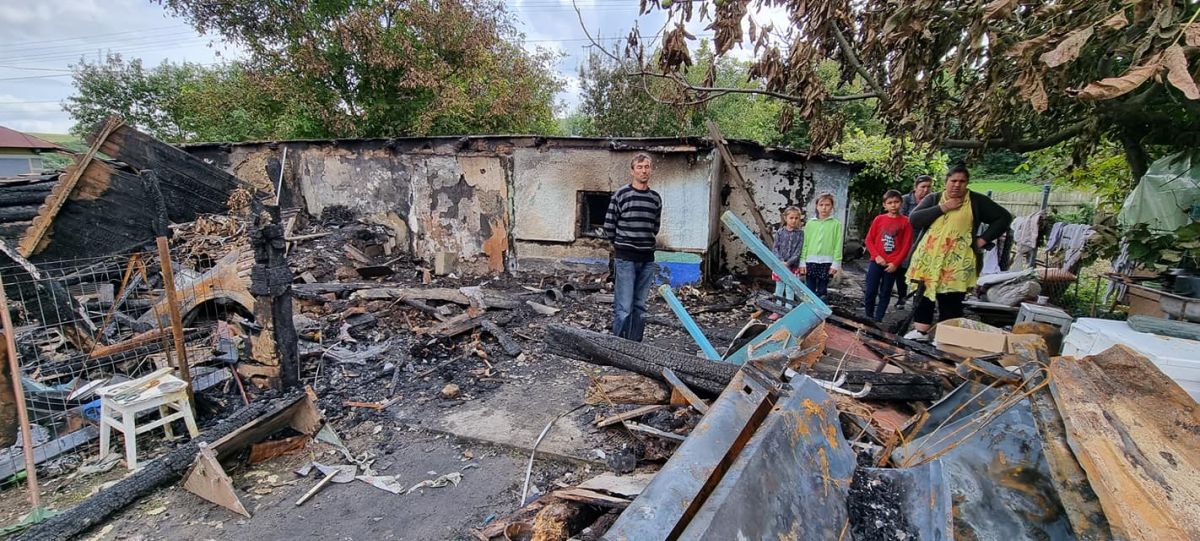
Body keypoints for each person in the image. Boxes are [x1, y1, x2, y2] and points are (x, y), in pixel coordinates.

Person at [903, 166, 1013, 341]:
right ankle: (921, 331)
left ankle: (945, 337)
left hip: (958, 260)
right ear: (946, 182)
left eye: (962, 181)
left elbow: (1004, 218)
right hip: (928, 258)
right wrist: (943, 207)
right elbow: (914, 219)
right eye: (953, 181)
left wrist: (982, 240)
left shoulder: (976, 201)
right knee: (924, 293)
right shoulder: (934, 198)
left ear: (967, 183)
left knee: (951, 297)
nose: (957, 185)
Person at [603, 152, 662, 342]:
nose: (643, 171)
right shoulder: (621, 195)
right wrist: (622, 246)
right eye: (639, 167)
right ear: (632, 171)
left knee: (640, 307)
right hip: (626, 259)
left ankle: (635, 346)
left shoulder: (655, 198)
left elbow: (655, 227)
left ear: (651, 170)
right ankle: (618, 346)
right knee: (624, 307)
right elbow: (609, 226)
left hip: (647, 259)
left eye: (647, 167)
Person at [863, 190, 913, 323]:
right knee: (870, 290)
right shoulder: (879, 219)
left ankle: (878, 319)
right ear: (884, 205)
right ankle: (868, 316)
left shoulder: (906, 222)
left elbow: (906, 245)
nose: (893, 205)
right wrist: (876, 256)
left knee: (885, 292)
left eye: (896, 202)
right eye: (890, 203)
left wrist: (896, 263)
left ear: (901, 203)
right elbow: (869, 240)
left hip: (891, 265)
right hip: (876, 261)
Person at [894, 174, 932, 308]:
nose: (925, 190)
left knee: (922, 271)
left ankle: (920, 300)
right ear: (915, 187)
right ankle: (901, 298)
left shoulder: (933, 201)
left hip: (925, 241)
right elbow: (900, 219)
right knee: (902, 270)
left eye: (928, 187)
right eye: (923, 187)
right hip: (905, 239)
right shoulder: (904, 200)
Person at [798, 193, 842, 299]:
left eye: (827, 205)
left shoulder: (836, 224)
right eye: (821, 205)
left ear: (832, 207)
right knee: (809, 289)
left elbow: (838, 244)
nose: (824, 208)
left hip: (827, 262)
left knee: (822, 290)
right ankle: (809, 308)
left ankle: (821, 307)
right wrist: (802, 261)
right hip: (810, 261)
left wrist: (836, 264)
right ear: (817, 206)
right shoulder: (810, 223)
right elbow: (805, 243)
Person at [769, 206, 805, 319]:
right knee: (779, 289)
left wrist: (788, 263)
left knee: (790, 289)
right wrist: (781, 261)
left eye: (796, 218)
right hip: (779, 266)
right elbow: (775, 248)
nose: (794, 220)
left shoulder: (800, 234)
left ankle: (788, 311)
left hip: (792, 266)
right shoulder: (780, 232)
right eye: (791, 218)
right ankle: (777, 310)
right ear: (785, 218)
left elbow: (798, 251)